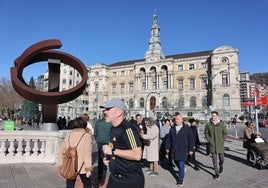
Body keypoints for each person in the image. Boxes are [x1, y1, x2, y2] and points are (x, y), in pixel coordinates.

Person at [101, 99, 145, 188]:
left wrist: (112, 151)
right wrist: (110, 160)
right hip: (115, 178)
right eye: (105, 109)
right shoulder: (113, 128)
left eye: (108, 109)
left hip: (129, 181)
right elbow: (120, 148)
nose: (104, 112)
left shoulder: (128, 129)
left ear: (119, 112)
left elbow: (137, 155)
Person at [58, 117, 92, 188]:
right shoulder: (86, 136)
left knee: (70, 185)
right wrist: (88, 168)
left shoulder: (69, 135)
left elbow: (61, 150)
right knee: (87, 184)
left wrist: (61, 164)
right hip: (82, 166)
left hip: (70, 165)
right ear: (84, 124)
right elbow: (87, 153)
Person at [165, 114, 194, 186]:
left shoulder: (186, 129)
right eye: (175, 119)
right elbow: (169, 139)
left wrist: (191, 149)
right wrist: (167, 147)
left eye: (178, 119)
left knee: (181, 164)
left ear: (182, 120)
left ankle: (180, 179)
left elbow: (191, 140)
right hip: (174, 149)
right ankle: (182, 169)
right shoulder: (172, 128)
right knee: (175, 161)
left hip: (183, 150)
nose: (176, 120)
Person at [205, 111, 228, 180]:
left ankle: (221, 166)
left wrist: (222, 140)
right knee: (214, 160)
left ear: (217, 116)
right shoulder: (208, 125)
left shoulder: (221, 124)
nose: (213, 117)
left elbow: (225, 133)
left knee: (222, 159)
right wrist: (209, 140)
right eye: (212, 115)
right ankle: (216, 173)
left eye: (214, 115)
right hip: (212, 145)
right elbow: (206, 133)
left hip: (220, 145)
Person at [94, 110, 112, 183]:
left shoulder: (98, 122)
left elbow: (95, 133)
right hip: (108, 141)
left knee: (100, 158)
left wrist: (97, 139)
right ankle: (108, 172)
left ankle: (100, 173)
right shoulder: (110, 123)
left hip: (100, 142)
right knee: (108, 157)